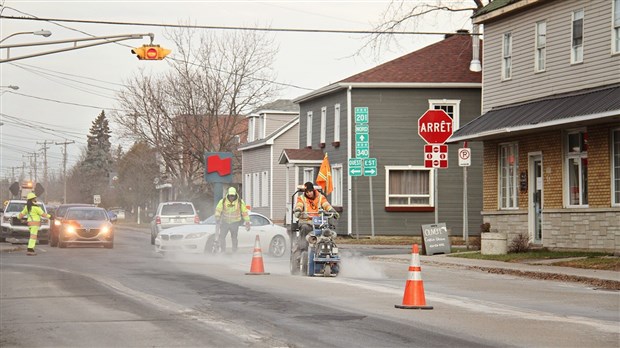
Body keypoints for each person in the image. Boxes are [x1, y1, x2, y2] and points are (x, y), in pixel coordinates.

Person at [293, 182, 339, 253]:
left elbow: (326, 205)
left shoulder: (320, 197)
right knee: (304, 228)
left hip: (319, 222)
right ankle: (303, 249)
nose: (309, 193)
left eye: (310, 191)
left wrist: (333, 212)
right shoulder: (301, 198)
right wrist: (298, 211)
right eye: (307, 192)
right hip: (306, 222)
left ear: (313, 190)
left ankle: (329, 249)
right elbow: (299, 205)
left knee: (327, 232)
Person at [214, 187, 250, 253]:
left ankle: (234, 251)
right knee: (222, 237)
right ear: (228, 194)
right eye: (230, 196)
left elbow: (244, 212)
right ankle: (223, 251)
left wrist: (247, 221)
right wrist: (217, 217)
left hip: (235, 223)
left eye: (233, 196)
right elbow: (218, 210)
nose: (231, 197)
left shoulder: (240, 202)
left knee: (234, 238)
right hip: (225, 222)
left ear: (235, 195)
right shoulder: (223, 201)